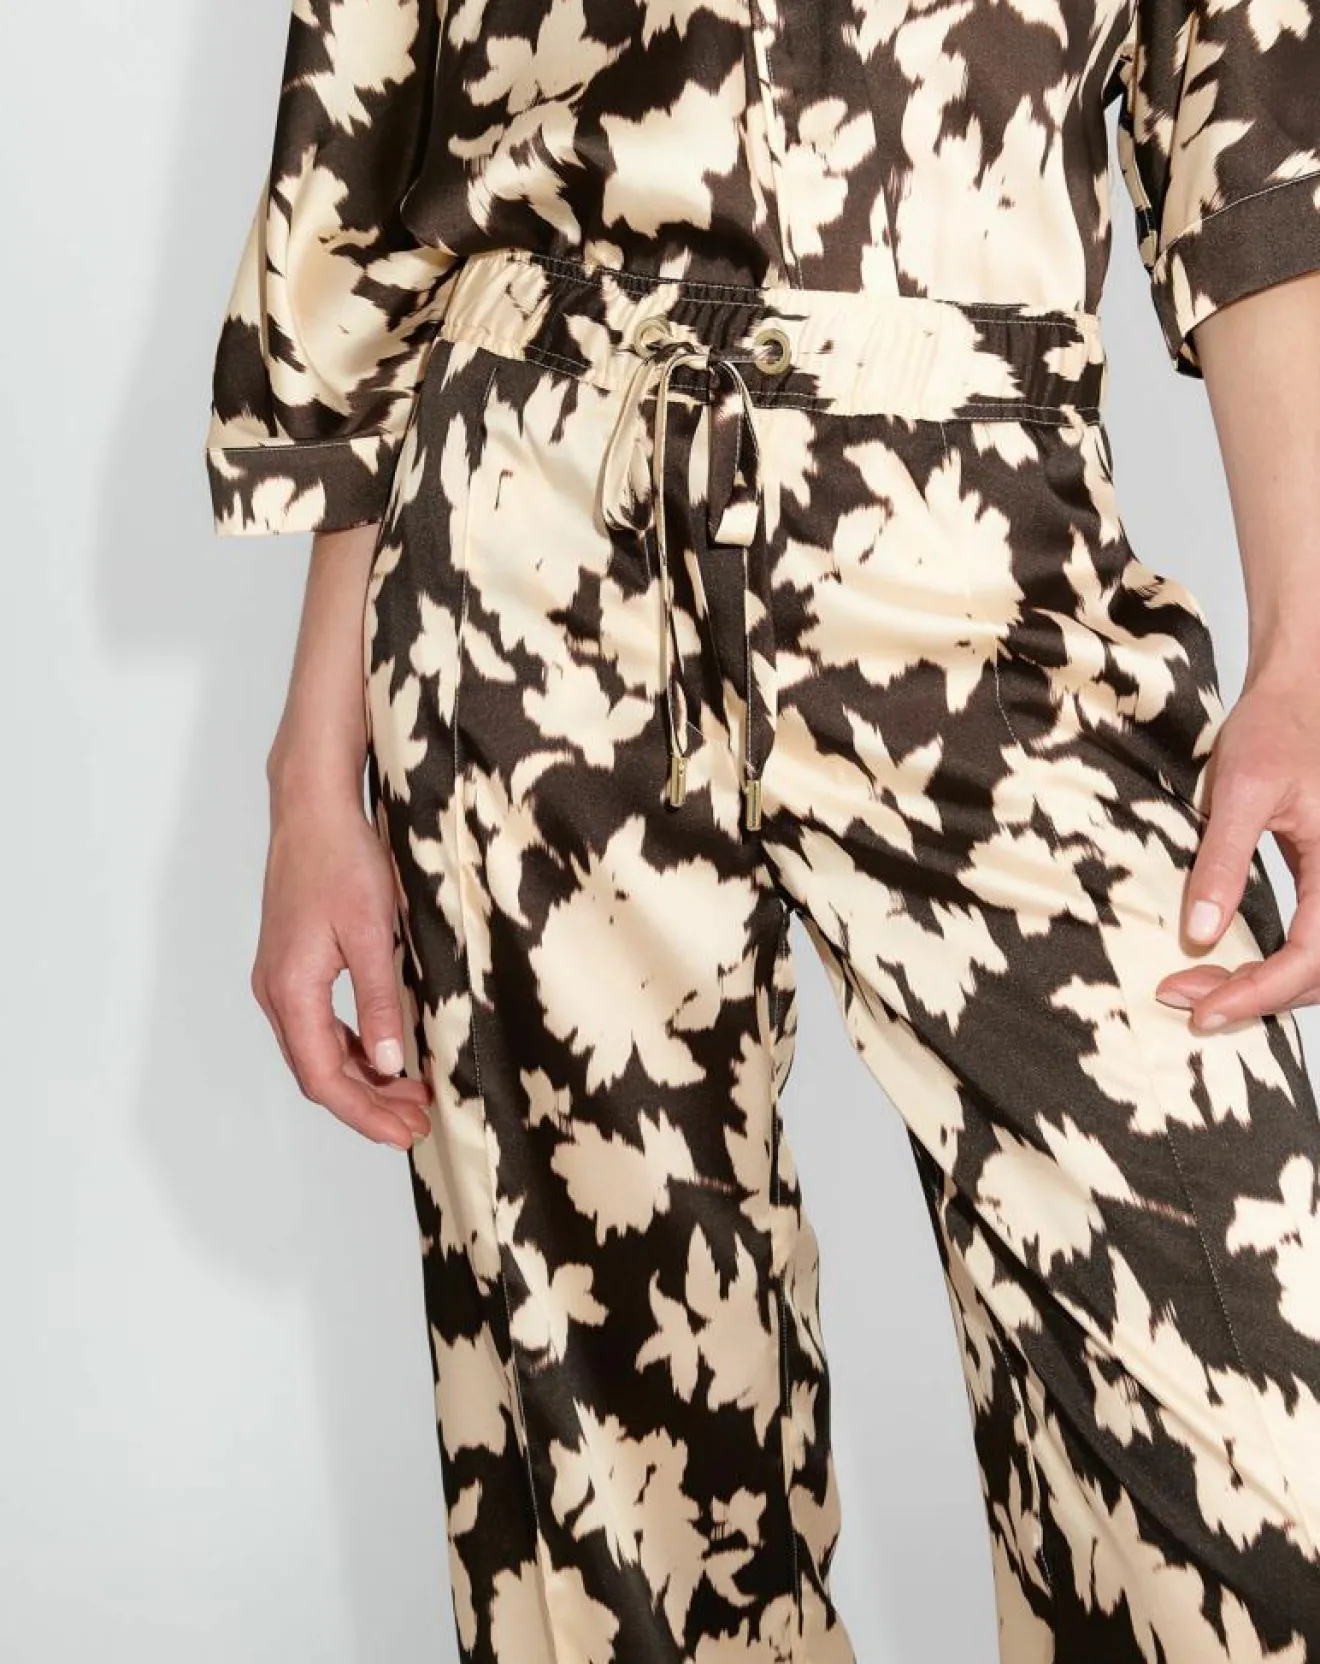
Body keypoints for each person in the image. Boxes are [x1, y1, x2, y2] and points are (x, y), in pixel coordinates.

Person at [204, 2, 1320, 1658]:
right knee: (617, 1518)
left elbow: (1259, 117)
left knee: (1257, 1476)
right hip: (525, 542)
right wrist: (312, 768)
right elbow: (377, 135)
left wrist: (1306, 645)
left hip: (978, 531)